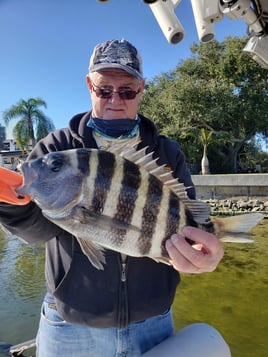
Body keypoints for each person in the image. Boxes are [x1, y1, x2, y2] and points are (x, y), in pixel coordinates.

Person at [0, 39, 230, 357]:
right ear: (88, 85)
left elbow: (191, 225)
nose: (115, 100)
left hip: (154, 323)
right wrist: (7, 198)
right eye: (104, 89)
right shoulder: (56, 149)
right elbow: (36, 231)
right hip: (69, 327)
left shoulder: (167, 153)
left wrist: (205, 257)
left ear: (142, 88)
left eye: (127, 90)